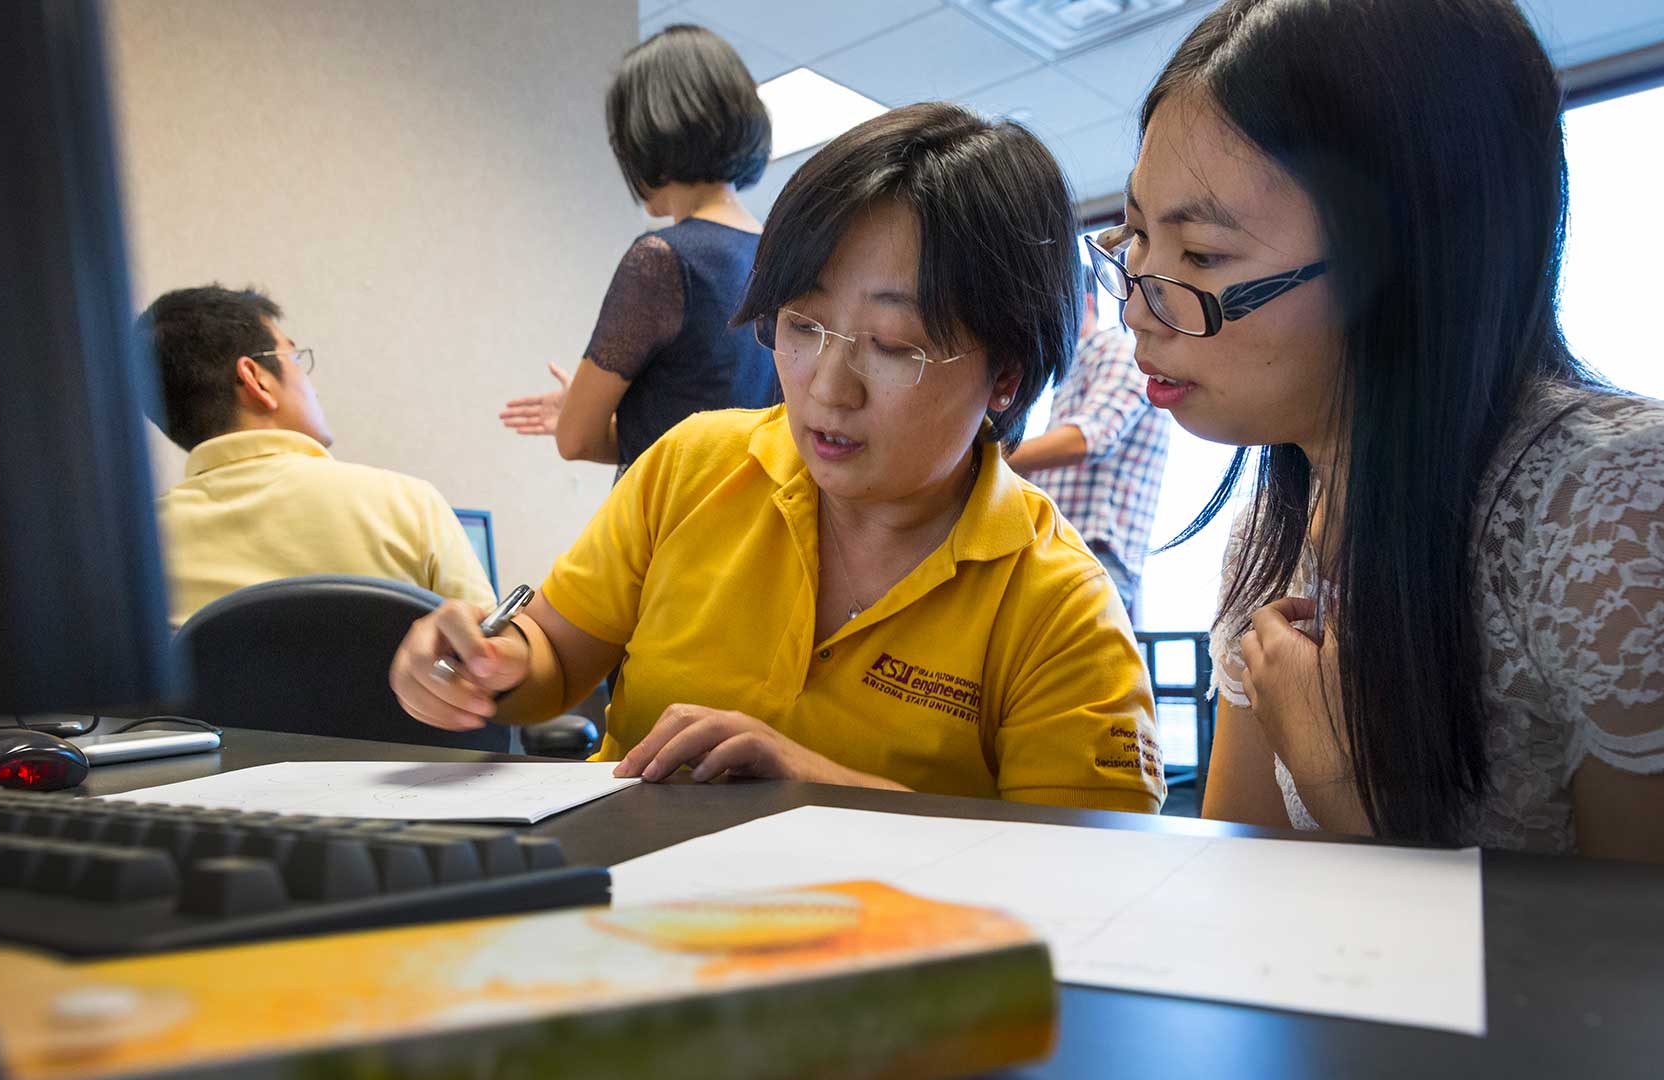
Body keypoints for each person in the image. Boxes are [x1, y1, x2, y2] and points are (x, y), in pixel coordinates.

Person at [395, 104, 1166, 812]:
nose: (828, 389)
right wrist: (485, 659)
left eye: (893, 348)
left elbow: (1081, 874)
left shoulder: (1058, 606)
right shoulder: (694, 467)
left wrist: (817, 787)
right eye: (801, 325)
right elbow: (554, 655)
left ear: (1008, 376)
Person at [1104, 0, 1664, 864]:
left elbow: (1644, 983)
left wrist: (1339, 782)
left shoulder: (1623, 510)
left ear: (1405, 263)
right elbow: (1240, 905)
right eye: (1137, 240)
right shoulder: (1266, 541)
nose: (1135, 311)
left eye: (1200, 257)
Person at [498, 25, 781, 480]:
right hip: (754, 529)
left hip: (671, 531)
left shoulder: (662, 260)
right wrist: (629, 419)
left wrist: (583, 416)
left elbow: (575, 440)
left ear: (645, 134)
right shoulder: (783, 257)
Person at [144, 285, 495, 627]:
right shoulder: (409, 506)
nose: (311, 383)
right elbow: (492, 662)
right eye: (294, 357)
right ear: (256, 380)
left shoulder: (138, 550)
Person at [1009, 292, 1170, 616]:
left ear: (1084, 303)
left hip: (1094, 555)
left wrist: (989, 457)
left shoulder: (1116, 350)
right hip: (1072, 552)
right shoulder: (1078, 367)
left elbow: (1094, 437)